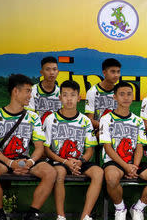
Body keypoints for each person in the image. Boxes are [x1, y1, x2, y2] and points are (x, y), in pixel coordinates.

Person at [0, 74, 56, 220]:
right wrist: (10, 163)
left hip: (24, 160)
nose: (31, 96)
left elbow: (39, 147)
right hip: (1, 160)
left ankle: (32, 213)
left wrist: (30, 162)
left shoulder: (33, 117)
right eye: (28, 91)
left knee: (50, 172)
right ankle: (0, 214)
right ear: (16, 91)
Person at [101, 82, 147, 220]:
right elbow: (108, 147)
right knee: (111, 178)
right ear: (115, 97)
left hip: (133, 162)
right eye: (122, 94)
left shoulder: (138, 121)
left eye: (129, 94)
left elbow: (140, 146)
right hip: (114, 162)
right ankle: (120, 208)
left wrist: (134, 167)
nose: (126, 97)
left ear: (133, 97)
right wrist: (126, 167)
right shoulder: (106, 119)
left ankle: (138, 208)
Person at [43, 80, 103, 220]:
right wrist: (65, 161)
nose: (69, 99)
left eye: (73, 95)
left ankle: (85, 215)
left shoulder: (85, 121)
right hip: (57, 160)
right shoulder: (51, 119)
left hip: (79, 161)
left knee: (98, 173)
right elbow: (46, 149)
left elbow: (89, 150)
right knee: (58, 172)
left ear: (79, 98)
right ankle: (61, 216)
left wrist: (80, 162)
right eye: (65, 95)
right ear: (60, 97)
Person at [85, 58, 120, 133]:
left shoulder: (120, 91)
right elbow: (89, 119)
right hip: (99, 131)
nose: (116, 75)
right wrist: (108, 128)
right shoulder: (92, 92)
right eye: (113, 72)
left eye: (118, 72)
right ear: (104, 73)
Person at [27, 56, 62, 124]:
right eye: (48, 69)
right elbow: (29, 117)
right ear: (41, 72)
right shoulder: (32, 91)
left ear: (58, 72)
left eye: (54, 69)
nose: (51, 72)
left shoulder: (62, 93)